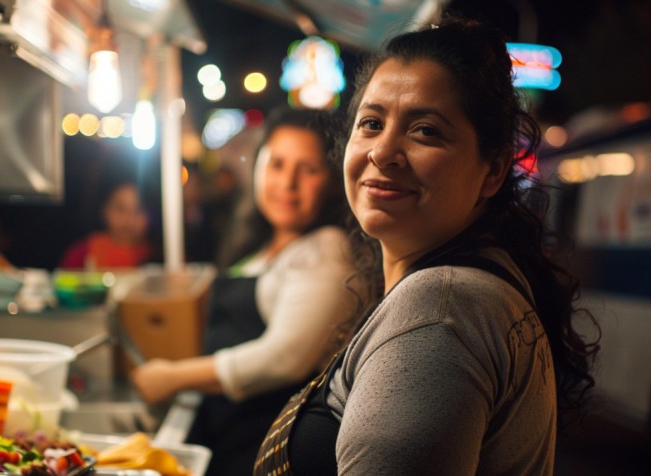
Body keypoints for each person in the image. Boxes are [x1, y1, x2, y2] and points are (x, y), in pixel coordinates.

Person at [253, 14, 600, 476]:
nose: (382, 152)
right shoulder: (464, 286)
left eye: (426, 131)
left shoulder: (440, 311)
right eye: (371, 123)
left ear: (493, 171)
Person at [130, 107, 362, 476]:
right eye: (277, 164)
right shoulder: (261, 245)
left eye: (309, 169)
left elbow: (285, 358)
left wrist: (174, 377)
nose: (288, 183)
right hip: (229, 438)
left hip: (265, 447)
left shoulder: (326, 248)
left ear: (333, 181)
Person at [59, 180, 157, 269]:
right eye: (120, 209)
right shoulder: (82, 253)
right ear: (104, 210)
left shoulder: (159, 255)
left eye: (138, 210)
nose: (129, 219)